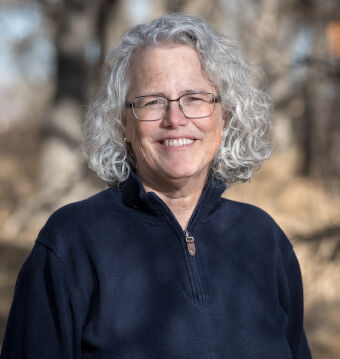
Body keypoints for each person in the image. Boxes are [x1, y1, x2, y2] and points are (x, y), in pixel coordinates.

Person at [0, 13, 311, 359]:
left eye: (194, 98)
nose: (175, 119)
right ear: (123, 124)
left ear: (224, 116)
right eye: (152, 101)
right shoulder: (71, 243)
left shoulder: (263, 239)